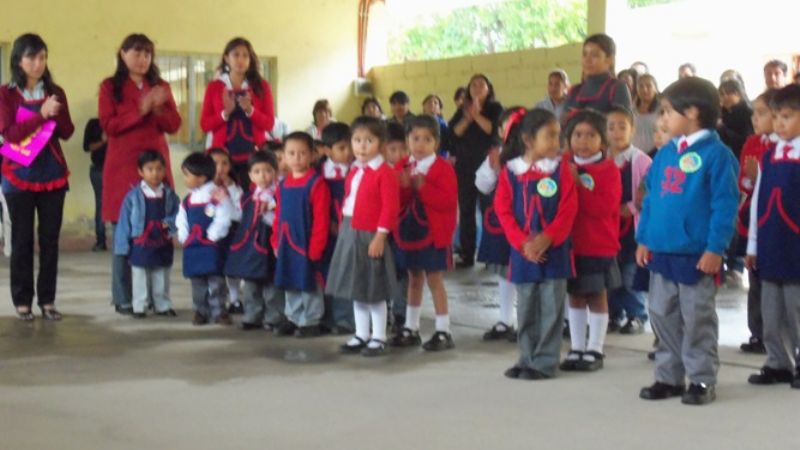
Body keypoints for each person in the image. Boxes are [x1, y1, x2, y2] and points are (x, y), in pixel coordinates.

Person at [636, 77, 739, 405]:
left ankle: (701, 379)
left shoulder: (717, 156)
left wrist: (715, 248)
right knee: (663, 316)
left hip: (696, 255)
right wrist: (644, 238)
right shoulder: (666, 153)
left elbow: (724, 206)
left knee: (697, 319)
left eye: (666, 111)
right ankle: (668, 377)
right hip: (662, 251)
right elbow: (651, 200)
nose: (661, 119)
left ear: (693, 112)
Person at [99, 33, 181, 315]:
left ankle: (157, 299)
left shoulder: (161, 86)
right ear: (122, 55)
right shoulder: (110, 87)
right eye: (136, 53)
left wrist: (157, 109)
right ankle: (124, 298)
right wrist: (140, 109)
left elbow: (174, 124)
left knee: (157, 232)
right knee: (125, 235)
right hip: (123, 169)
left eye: (147, 54)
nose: (142, 59)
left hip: (155, 169)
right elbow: (108, 125)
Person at [494, 108, 578, 380]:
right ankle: (526, 357)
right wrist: (523, 243)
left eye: (558, 135)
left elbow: (568, 208)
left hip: (553, 251)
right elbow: (503, 210)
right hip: (524, 253)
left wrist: (547, 238)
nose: (558, 142)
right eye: (550, 136)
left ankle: (544, 361)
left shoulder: (560, 170)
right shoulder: (511, 172)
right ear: (529, 140)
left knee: (551, 308)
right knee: (527, 305)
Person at [0, 33, 74, 321]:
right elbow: (10, 134)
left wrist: (58, 113)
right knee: (21, 240)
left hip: (52, 173)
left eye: (42, 57)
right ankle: (22, 302)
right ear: (19, 60)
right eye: (31, 57)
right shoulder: (6, 94)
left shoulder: (55, 91)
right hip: (18, 174)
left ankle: (48, 301)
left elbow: (66, 132)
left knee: (50, 241)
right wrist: (42, 114)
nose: (37, 63)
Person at [326, 117, 399, 356]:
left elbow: (390, 207)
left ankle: (378, 336)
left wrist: (380, 236)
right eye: (357, 140)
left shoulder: (384, 172)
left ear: (381, 144)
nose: (362, 146)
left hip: (371, 233)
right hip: (350, 229)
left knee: (373, 288)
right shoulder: (355, 169)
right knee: (357, 286)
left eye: (369, 140)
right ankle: (361, 333)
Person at [745, 84, 800, 389]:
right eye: (776, 116)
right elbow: (756, 202)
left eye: (787, 116)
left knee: (796, 306)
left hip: (795, 242)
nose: (779, 123)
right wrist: (753, 243)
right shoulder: (769, 156)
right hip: (770, 239)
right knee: (771, 305)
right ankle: (778, 361)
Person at [560, 109, 621, 373]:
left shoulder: (608, 170)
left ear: (602, 141)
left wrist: (578, 186)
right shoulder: (563, 165)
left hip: (598, 244)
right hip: (571, 245)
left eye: (590, 135)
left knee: (596, 295)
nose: (583, 141)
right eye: (577, 135)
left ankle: (595, 347)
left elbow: (603, 208)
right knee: (575, 295)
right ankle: (576, 346)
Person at [390, 115, 458, 352]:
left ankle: (443, 329)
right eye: (415, 138)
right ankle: (411, 326)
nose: (420, 144)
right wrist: (404, 186)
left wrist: (423, 187)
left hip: (433, 233)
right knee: (414, 278)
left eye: (427, 139)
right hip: (409, 232)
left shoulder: (443, 168)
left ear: (436, 143)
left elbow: (447, 202)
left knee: (434, 279)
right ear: (407, 140)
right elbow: (397, 202)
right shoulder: (402, 166)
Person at [271, 132, 331, 337]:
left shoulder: (317, 184)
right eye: (291, 153)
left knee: (309, 282)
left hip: (307, 243)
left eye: (302, 153)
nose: (297, 158)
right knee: (290, 279)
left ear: (312, 155)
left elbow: (322, 220)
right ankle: (293, 317)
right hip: (286, 242)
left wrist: (316, 246)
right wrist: (275, 240)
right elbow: (278, 215)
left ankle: (311, 320)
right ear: (284, 156)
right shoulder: (282, 184)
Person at [225, 150, 290, 332]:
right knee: (251, 282)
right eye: (258, 171)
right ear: (250, 175)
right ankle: (252, 315)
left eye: (268, 170)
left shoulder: (280, 194)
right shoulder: (248, 197)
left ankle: (274, 317)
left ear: (276, 172)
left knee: (271, 282)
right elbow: (239, 216)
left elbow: (280, 217)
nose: (263, 176)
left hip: (269, 243)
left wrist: (270, 208)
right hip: (251, 246)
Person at [475, 107, 525, 342]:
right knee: (505, 271)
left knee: (527, 272)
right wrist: (494, 168)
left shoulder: (535, 155)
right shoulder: (497, 154)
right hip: (503, 221)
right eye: (506, 125)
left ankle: (527, 321)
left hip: (527, 221)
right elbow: (482, 185)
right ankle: (506, 320)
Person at [200, 37, 275, 190]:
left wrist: (250, 111)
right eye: (236, 55)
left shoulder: (261, 86)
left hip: (254, 156)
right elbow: (204, 125)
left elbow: (269, 123)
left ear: (250, 60)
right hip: (223, 158)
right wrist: (225, 114)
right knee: (224, 199)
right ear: (226, 58)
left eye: (245, 55)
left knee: (251, 198)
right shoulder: (215, 87)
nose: (240, 59)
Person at [114, 150, 179, 318]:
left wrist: (170, 224)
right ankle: (139, 306)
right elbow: (124, 222)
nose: (155, 173)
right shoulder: (133, 197)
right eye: (150, 169)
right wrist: (123, 245)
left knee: (161, 274)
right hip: (140, 243)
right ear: (140, 172)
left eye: (159, 169)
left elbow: (179, 214)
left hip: (162, 241)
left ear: (165, 171)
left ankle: (162, 305)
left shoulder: (170, 195)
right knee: (139, 276)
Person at [738, 89, 778, 355]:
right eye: (754, 113)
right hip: (753, 224)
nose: (755, 119)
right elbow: (744, 183)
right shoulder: (752, 143)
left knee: (779, 286)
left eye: (761, 113)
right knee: (756, 283)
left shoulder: (785, 146)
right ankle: (758, 333)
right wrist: (751, 177)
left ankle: (779, 337)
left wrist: (761, 173)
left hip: (777, 226)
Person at [449, 74, 503, 267]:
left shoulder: (495, 108)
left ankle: (491, 253)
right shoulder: (462, 109)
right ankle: (467, 253)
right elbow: (454, 132)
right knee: (466, 211)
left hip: (487, 166)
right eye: (474, 85)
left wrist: (477, 115)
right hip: (464, 167)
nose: (478, 88)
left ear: (489, 88)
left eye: (482, 84)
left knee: (490, 209)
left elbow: (493, 130)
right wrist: (467, 117)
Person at [606, 106, 652, 335]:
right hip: (608, 230)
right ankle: (614, 314)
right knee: (611, 274)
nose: (616, 132)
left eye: (622, 127)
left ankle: (636, 314)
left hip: (633, 230)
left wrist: (632, 207)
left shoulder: (642, 161)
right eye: (611, 127)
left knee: (631, 273)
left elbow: (650, 193)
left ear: (632, 130)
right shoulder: (602, 161)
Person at [177, 152, 235, 325]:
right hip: (193, 246)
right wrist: (184, 236)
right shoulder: (187, 200)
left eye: (187, 175)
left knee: (216, 280)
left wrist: (212, 236)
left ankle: (219, 311)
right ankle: (200, 310)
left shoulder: (217, 195)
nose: (185, 179)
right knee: (197, 281)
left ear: (201, 177)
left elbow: (224, 216)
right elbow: (182, 219)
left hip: (212, 247)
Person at [318, 122, 355, 334]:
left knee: (347, 274)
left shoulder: (358, 170)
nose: (349, 152)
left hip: (350, 230)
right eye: (342, 148)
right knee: (326, 273)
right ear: (326, 150)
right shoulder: (319, 172)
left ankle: (345, 320)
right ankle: (327, 316)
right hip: (326, 232)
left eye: (350, 145)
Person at [562, 34, 632, 122]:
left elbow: (622, 128)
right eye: (584, 54)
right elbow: (563, 126)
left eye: (594, 55)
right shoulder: (574, 91)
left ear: (610, 60)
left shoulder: (617, 88)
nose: (587, 60)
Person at [208, 148, 244, 314]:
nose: (220, 168)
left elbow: (241, 209)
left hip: (232, 233)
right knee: (213, 267)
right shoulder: (204, 188)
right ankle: (213, 299)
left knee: (232, 268)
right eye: (215, 163)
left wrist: (231, 188)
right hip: (212, 234)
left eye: (224, 163)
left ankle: (235, 299)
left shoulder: (235, 188)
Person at [83, 117, 108, 251]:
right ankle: (101, 241)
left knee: (124, 203)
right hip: (98, 170)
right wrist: (103, 141)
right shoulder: (93, 124)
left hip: (117, 169)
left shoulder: (119, 123)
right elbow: (87, 147)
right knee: (101, 204)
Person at [632, 74, 660, 152]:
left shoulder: (662, 110)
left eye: (649, 86)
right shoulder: (631, 109)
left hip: (655, 153)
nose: (645, 90)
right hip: (634, 154)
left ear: (655, 88)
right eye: (641, 86)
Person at [422, 94, 449, 158]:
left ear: (439, 110)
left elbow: (446, 142)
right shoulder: (418, 123)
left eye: (435, 103)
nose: (432, 104)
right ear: (424, 107)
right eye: (429, 102)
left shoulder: (443, 124)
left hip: (441, 156)